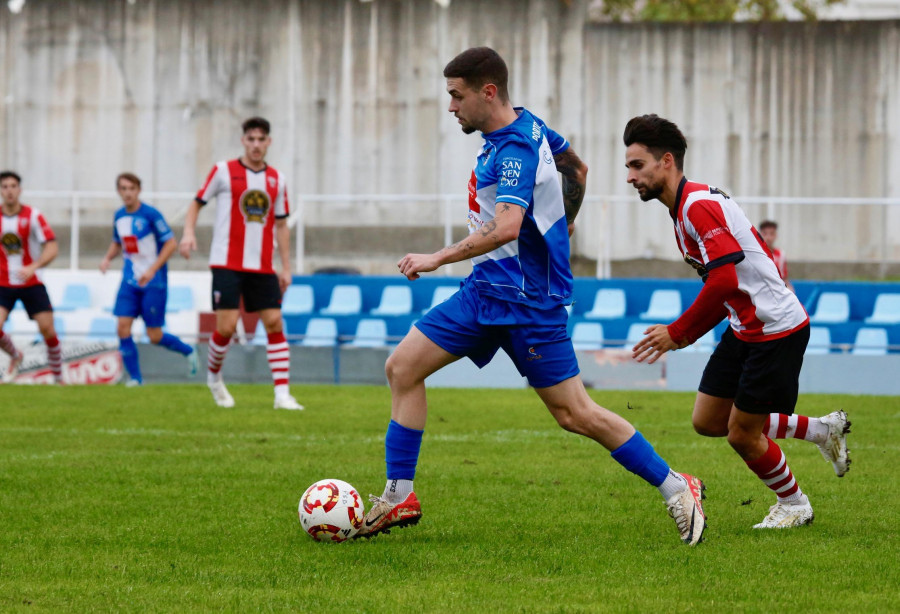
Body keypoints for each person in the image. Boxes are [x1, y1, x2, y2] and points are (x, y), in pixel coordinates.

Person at [355, 48, 707, 546]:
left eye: (457, 96)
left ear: (488, 91)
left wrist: (437, 257)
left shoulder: (516, 147)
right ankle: (398, 496)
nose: (451, 106)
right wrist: (559, 230)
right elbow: (577, 170)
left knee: (574, 414)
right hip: (485, 291)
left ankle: (677, 486)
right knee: (402, 367)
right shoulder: (530, 126)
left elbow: (507, 227)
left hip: (529, 302)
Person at [624, 114, 851, 530]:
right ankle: (821, 430)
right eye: (629, 167)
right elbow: (726, 283)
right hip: (746, 327)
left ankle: (795, 503)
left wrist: (678, 333)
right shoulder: (684, 208)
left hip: (774, 330)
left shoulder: (697, 207)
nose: (629, 176)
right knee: (708, 421)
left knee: (742, 434)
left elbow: (725, 279)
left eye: (637, 165)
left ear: (667, 161)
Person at [179, 117, 303, 411]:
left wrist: (285, 267)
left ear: (269, 142)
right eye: (251, 139)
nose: (256, 145)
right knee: (227, 326)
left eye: (261, 139)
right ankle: (214, 378)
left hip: (262, 265)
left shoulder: (278, 180)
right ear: (243, 141)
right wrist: (188, 232)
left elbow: (282, 226)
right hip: (226, 262)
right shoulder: (223, 171)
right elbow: (197, 202)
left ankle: (282, 394)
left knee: (274, 322)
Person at [99, 172, 198, 386]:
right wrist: (107, 258)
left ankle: (188, 350)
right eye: (123, 189)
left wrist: (153, 269)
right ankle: (135, 379)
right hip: (130, 280)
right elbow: (118, 241)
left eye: (131, 188)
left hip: (154, 282)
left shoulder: (151, 214)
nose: (127, 193)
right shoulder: (119, 216)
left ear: (138, 190)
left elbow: (171, 243)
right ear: (119, 191)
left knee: (154, 335)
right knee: (122, 327)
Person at [0, 171, 63, 384]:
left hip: (31, 282)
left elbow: (52, 247)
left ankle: (58, 378)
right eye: (5, 186)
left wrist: (33, 266)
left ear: (20, 189)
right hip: (3, 282)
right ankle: (16, 355)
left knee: (47, 329)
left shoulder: (34, 216)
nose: (9, 190)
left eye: (13, 186)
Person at [758, 220, 793, 291]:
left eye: (772, 234)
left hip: (777, 289)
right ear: (759, 235)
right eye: (765, 234)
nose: (768, 237)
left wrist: (789, 289)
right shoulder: (756, 253)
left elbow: (784, 278)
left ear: (776, 235)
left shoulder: (781, 254)